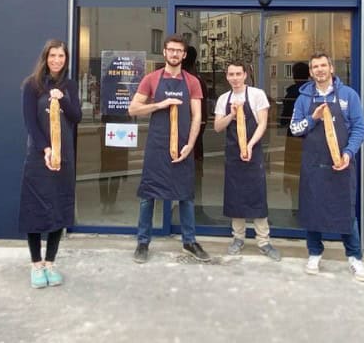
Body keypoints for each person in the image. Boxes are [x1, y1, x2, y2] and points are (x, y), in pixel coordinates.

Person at [128, 34, 210, 263]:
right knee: (148, 196)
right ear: (164, 52)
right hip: (157, 146)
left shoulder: (192, 82)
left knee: (186, 196)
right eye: (171, 50)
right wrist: (159, 104)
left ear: (184, 54)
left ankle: (189, 241)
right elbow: (133, 109)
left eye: (179, 51)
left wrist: (190, 145)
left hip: (183, 146)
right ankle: (143, 242)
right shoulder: (151, 79)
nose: (174, 54)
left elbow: (197, 117)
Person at [289, 53, 364, 281]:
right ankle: (314, 253)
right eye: (315, 67)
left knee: (345, 212)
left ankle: (354, 258)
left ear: (331, 68)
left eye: (324, 65)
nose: (320, 70)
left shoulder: (348, 96)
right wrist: (312, 118)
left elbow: (358, 128)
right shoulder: (304, 97)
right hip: (313, 165)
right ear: (311, 72)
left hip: (341, 165)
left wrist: (348, 153)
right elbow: (295, 128)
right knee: (313, 210)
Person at [18, 39, 82, 288]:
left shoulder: (70, 86)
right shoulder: (31, 85)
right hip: (39, 155)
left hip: (64, 156)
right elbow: (30, 123)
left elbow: (76, 117)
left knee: (59, 206)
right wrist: (45, 149)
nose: (57, 60)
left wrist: (63, 99)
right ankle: (36, 264)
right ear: (45, 58)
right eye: (53, 55)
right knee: (35, 208)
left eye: (61, 56)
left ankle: (51, 262)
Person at [213, 60, 281, 261]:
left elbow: (262, 124)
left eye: (238, 74)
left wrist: (250, 145)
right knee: (235, 195)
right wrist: (231, 115)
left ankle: (264, 241)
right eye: (231, 74)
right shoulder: (223, 99)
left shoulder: (257, 95)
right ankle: (238, 238)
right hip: (233, 154)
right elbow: (217, 126)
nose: (234, 78)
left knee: (257, 195)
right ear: (227, 76)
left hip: (254, 152)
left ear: (245, 75)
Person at [279, 62, 309, 215]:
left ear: (294, 75)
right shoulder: (313, 92)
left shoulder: (291, 94)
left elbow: (284, 120)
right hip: (310, 140)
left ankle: (296, 209)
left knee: (293, 173)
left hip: (294, 140)